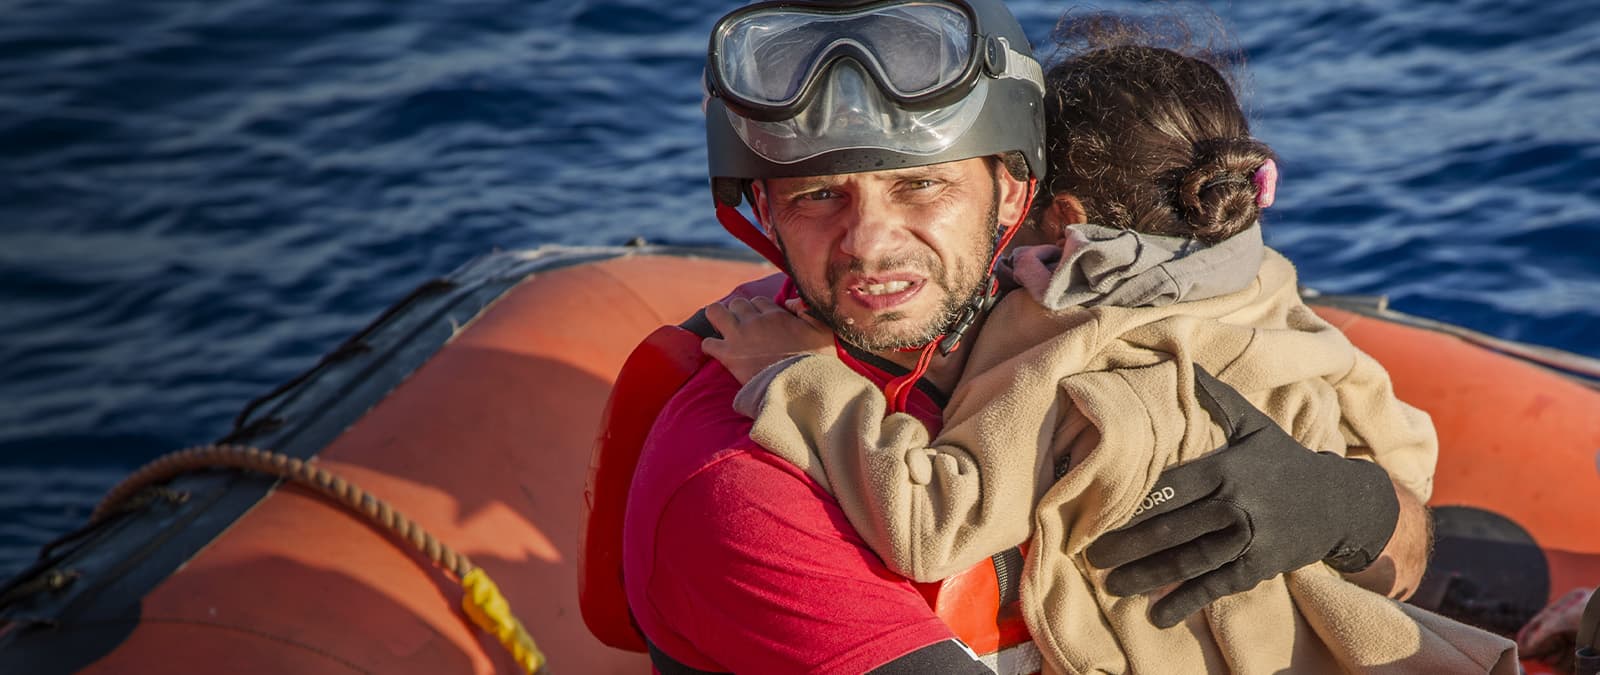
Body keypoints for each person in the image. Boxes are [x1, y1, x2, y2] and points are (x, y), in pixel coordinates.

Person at [621, 3, 1433, 673]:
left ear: (1016, 194)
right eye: (818, 195)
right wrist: (795, 377)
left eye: (921, 184)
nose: (868, 243)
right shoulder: (738, 482)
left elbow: (1408, 552)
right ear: (763, 212)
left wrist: (1349, 509)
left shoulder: (1070, 319)